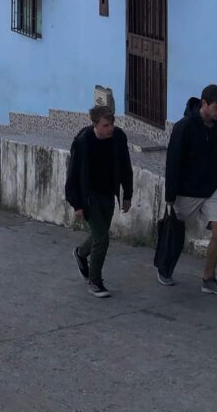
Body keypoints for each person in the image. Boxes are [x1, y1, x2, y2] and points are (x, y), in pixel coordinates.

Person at [163, 84, 217, 297]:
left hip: (212, 188)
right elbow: (173, 162)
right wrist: (170, 195)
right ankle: (164, 268)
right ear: (204, 104)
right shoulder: (183, 127)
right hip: (187, 191)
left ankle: (208, 278)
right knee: (175, 233)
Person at [65, 105, 133, 298]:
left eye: (112, 124)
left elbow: (126, 167)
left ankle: (80, 253)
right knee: (102, 237)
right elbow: (73, 176)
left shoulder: (119, 138)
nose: (110, 128)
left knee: (99, 234)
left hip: (108, 194)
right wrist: (77, 204)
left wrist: (127, 194)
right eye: (105, 125)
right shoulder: (83, 142)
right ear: (95, 125)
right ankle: (95, 281)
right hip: (89, 197)